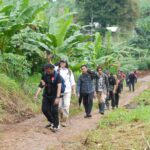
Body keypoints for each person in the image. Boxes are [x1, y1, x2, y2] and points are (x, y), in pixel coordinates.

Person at [34, 64, 62, 132]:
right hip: (46, 95)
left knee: (54, 111)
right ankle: (52, 121)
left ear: (52, 69)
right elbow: (41, 85)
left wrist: (58, 97)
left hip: (55, 96)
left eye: (49, 70)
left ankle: (56, 126)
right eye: (46, 70)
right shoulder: (44, 75)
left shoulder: (57, 76)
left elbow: (59, 86)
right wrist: (36, 95)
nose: (47, 71)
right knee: (44, 109)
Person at [58, 60, 76, 127]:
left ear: (66, 64)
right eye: (61, 62)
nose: (62, 64)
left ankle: (64, 121)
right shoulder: (57, 70)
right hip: (59, 90)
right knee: (59, 106)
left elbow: (72, 82)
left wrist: (74, 90)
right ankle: (59, 119)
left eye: (63, 63)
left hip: (67, 91)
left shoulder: (69, 71)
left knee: (66, 105)